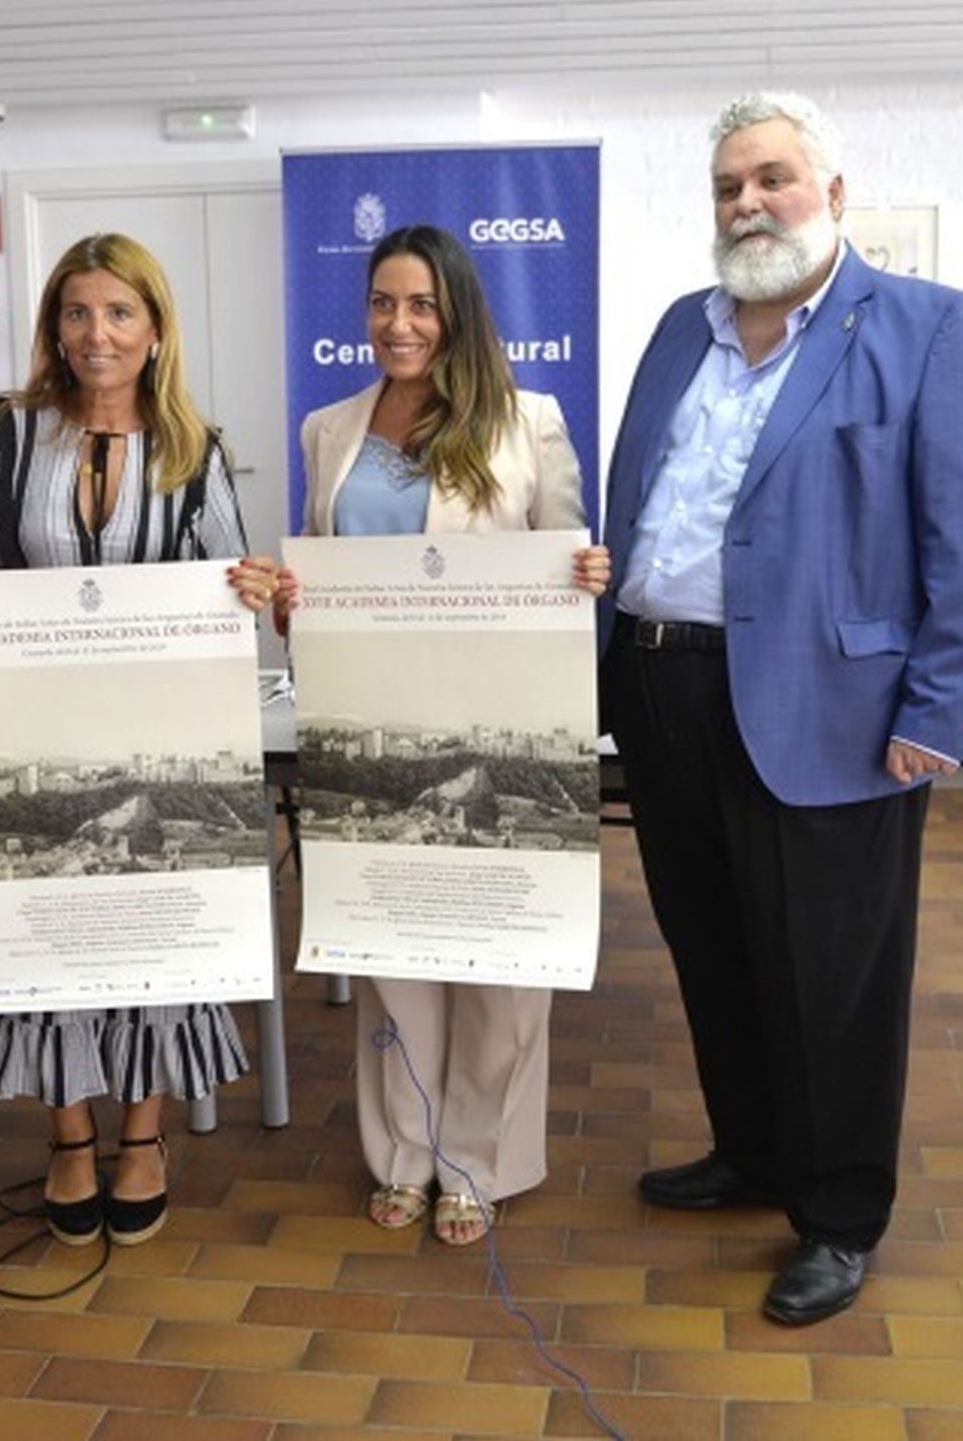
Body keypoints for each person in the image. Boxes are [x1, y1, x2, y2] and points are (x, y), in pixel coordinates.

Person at [600, 92, 963, 1324]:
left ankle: (837, 1214)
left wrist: (939, 706)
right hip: (665, 683)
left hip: (831, 707)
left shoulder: (931, 327)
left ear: (832, 193)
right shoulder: (685, 327)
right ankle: (754, 1150)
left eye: (771, 178)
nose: (745, 203)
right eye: (727, 185)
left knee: (830, 971)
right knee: (711, 940)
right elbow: (643, 501)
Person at [0, 231, 279, 1248]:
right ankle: (68, 1137)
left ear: (155, 331)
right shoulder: (9, 436)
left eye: (118, 313)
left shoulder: (197, 446)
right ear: (53, 329)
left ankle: (144, 1133)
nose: (95, 333)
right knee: (47, 929)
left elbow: (231, 587)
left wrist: (252, 588)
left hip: (156, 739)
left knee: (151, 921)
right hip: (35, 733)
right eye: (75, 312)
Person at [274, 223, 610, 1246]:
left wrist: (585, 570)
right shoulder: (327, 428)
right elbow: (320, 570)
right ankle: (404, 1152)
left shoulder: (526, 420)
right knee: (394, 948)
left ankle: (477, 1156)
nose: (399, 322)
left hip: (498, 731)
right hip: (372, 732)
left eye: (420, 303)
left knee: (502, 959)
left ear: (455, 310)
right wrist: (292, 598)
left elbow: (565, 552)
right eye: (383, 302)